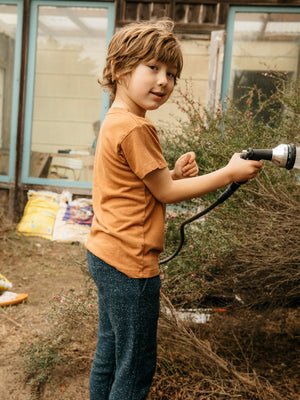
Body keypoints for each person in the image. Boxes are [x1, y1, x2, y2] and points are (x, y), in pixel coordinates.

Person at [86, 19, 262, 400]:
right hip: (130, 264)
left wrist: (171, 172)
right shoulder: (137, 128)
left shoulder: (116, 121)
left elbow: (139, 184)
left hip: (104, 252)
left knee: (111, 352)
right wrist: (229, 172)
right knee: (134, 367)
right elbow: (165, 194)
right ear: (121, 68)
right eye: (154, 68)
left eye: (172, 74)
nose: (164, 80)